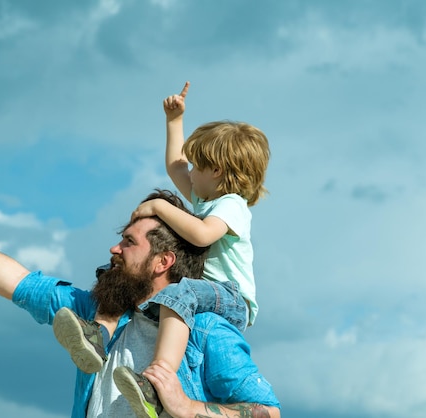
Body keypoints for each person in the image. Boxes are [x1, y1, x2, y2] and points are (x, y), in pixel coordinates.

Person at [0, 187, 280, 418]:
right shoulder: (95, 316)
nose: (114, 248)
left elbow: (269, 413)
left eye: (128, 242)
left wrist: (187, 407)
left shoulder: (207, 330)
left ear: (164, 262)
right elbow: (17, 281)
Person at [54, 82, 271, 417]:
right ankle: (98, 336)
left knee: (178, 294)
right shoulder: (207, 197)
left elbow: (201, 235)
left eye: (199, 166)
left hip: (231, 296)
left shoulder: (231, 206)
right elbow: (175, 166)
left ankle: (158, 378)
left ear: (216, 171)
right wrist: (174, 120)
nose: (191, 173)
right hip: (204, 292)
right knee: (129, 287)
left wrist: (157, 205)